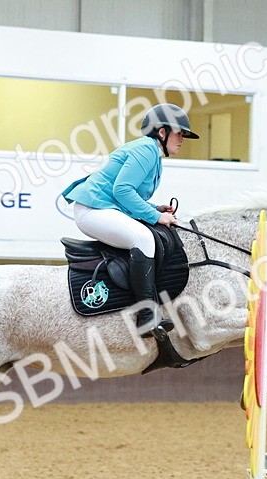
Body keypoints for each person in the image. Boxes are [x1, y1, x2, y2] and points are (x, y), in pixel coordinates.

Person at [61, 103, 199, 337]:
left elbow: (125, 195)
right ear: (162, 132)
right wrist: (156, 216)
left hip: (104, 207)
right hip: (93, 210)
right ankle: (146, 316)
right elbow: (123, 190)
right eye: (179, 133)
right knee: (144, 238)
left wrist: (154, 208)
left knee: (145, 234)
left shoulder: (152, 153)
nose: (183, 138)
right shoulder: (146, 150)